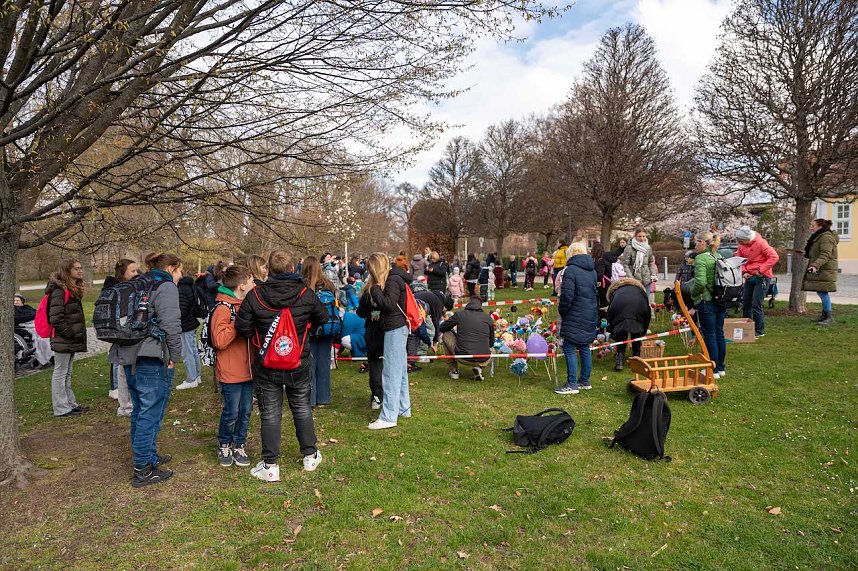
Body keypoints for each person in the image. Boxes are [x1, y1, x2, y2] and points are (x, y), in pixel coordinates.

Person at [236, 251, 328, 480]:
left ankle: (270, 466)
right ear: (291, 268)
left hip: (267, 364)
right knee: (301, 406)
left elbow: (243, 328)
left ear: (269, 269)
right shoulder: (305, 294)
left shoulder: (255, 296)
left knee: (269, 413)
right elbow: (323, 318)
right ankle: (310, 455)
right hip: (299, 361)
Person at [111, 252, 183, 488]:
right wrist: (175, 355)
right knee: (149, 413)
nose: (181, 276)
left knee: (140, 410)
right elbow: (171, 324)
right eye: (180, 271)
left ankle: (149, 457)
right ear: (171, 268)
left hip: (129, 354)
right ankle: (143, 469)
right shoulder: (166, 286)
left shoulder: (137, 284)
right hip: (150, 355)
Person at [211, 265, 256, 468]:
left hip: (249, 369)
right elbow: (219, 340)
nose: (254, 284)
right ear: (242, 285)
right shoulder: (223, 308)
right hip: (231, 371)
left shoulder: (246, 304)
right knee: (232, 412)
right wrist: (238, 322)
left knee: (245, 411)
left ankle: (239, 443)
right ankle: (224, 443)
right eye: (251, 281)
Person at [367, 251, 413, 429]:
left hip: (395, 328)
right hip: (397, 328)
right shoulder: (396, 277)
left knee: (391, 373)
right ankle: (402, 408)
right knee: (399, 371)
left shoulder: (392, 279)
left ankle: (388, 416)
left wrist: (376, 289)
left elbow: (388, 303)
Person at [44, 259, 89, 418]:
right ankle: (61, 408)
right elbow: (55, 318)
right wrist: (70, 333)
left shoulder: (71, 289)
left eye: (80, 268)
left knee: (67, 372)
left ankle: (70, 404)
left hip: (70, 338)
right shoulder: (59, 290)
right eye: (76, 268)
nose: (80, 271)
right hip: (63, 338)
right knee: (60, 372)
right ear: (67, 270)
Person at [555, 243, 598, 395]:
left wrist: (563, 311)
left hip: (574, 313)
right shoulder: (592, 271)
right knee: (585, 346)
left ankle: (572, 383)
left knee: (569, 347)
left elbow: (567, 295)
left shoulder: (570, 270)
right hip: (589, 312)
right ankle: (585, 380)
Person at [302, 256, 337, 408]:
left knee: (310, 363)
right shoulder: (329, 284)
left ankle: (311, 398)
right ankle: (324, 398)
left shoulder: (303, 286)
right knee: (324, 363)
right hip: (327, 327)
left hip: (309, 329)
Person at [105, 259, 139, 416]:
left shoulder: (129, 287)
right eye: (132, 271)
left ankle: (127, 403)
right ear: (122, 273)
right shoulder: (121, 290)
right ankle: (126, 405)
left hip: (125, 327)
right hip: (124, 328)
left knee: (126, 365)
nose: (136, 274)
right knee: (124, 366)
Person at [692, 232, 727, 379]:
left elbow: (700, 282)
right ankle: (720, 368)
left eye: (697, 242)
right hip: (721, 300)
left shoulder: (701, 258)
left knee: (709, 335)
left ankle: (711, 369)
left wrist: (694, 295)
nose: (695, 245)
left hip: (707, 300)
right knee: (719, 333)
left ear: (703, 243)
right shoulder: (718, 256)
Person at [735, 225, 779, 337]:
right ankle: (747, 328)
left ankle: (759, 330)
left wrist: (761, 270)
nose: (740, 243)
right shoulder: (741, 245)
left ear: (747, 238)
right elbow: (740, 260)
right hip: (749, 276)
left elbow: (774, 257)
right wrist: (744, 272)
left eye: (741, 241)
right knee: (746, 303)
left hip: (762, 277)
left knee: (756, 304)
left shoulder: (761, 243)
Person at [356, 254, 387, 410]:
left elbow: (360, 312)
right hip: (386, 330)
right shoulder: (390, 287)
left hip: (375, 330)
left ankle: (377, 395)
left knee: (375, 364)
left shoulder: (368, 290)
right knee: (383, 363)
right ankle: (383, 395)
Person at [438, 296, 494, 381]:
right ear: (481, 305)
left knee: (446, 334)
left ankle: (454, 371)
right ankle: (479, 368)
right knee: (493, 350)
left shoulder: (460, 314)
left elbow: (442, 328)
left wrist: (454, 331)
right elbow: (491, 342)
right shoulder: (488, 318)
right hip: (483, 358)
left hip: (462, 356)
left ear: (468, 303)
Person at [607, 277, 652, 371]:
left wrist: (613, 332)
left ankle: (619, 362)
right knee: (636, 336)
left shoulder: (616, 292)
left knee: (621, 336)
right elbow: (647, 313)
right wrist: (643, 331)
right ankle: (637, 360)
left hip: (619, 311)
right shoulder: (640, 291)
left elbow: (610, 314)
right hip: (638, 310)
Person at [801, 218, 839, 325]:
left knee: (823, 292)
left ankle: (829, 317)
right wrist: (805, 254)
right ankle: (824, 315)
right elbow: (817, 252)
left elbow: (825, 254)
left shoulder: (826, 238)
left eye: (813, 225)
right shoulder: (819, 237)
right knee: (821, 291)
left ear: (820, 226)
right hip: (822, 268)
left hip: (824, 269)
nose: (811, 227)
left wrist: (815, 265)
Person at [176, 271, 206, 390]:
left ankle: (191, 378)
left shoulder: (182, 289)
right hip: (192, 322)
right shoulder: (191, 286)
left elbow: (182, 309)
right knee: (193, 351)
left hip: (186, 325)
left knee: (187, 352)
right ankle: (197, 376)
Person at [591, 242, 612, 318]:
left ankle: (603, 320)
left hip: (603, 286)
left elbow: (600, 274)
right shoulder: (605, 260)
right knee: (605, 303)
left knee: (602, 304)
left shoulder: (600, 261)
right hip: (607, 284)